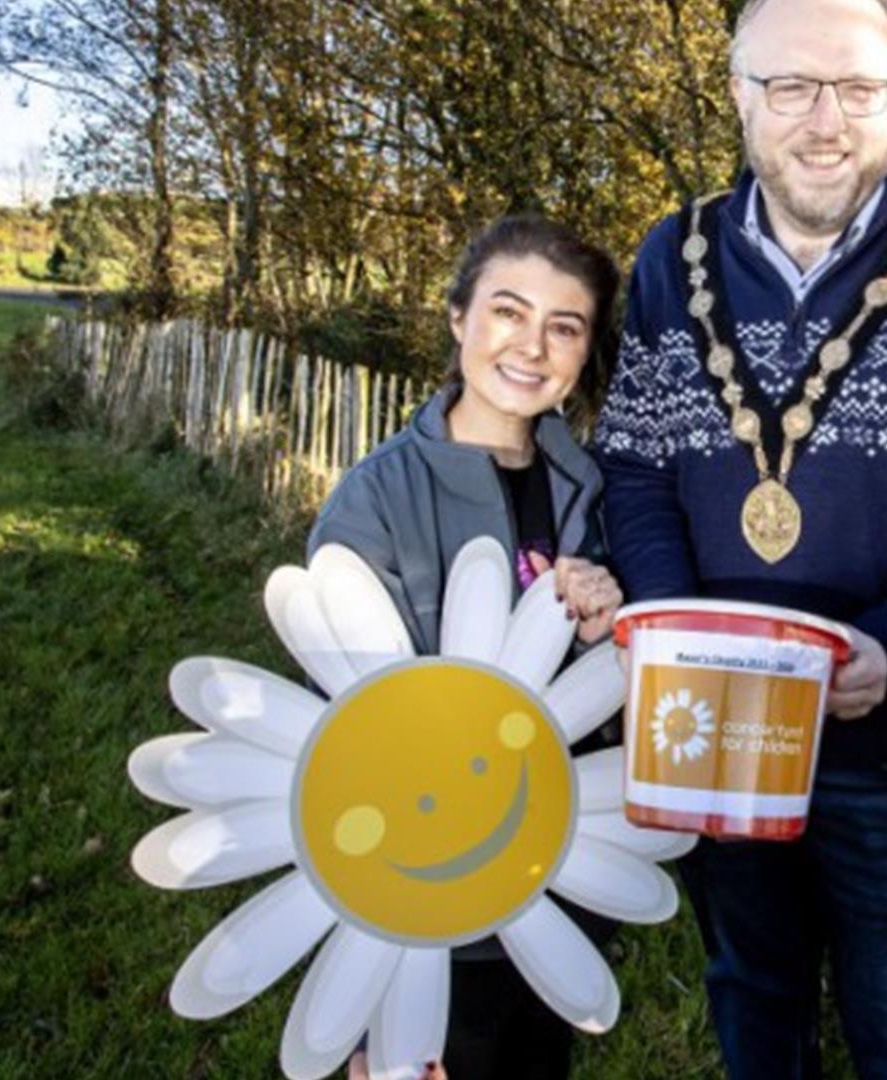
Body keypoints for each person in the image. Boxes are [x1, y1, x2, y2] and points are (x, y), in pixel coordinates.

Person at [592, 0, 887, 1075]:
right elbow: (638, 466)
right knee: (755, 990)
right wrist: (673, 638)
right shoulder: (672, 255)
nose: (825, 120)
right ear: (741, 93)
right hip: (713, 725)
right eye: (791, 86)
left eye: (857, 88)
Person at [308, 214, 626, 1080]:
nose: (532, 346)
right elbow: (340, 742)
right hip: (427, 887)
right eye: (507, 312)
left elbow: (607, 687)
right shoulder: (374, 502)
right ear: (458, 319)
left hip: (553, 870)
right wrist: (376, 1013)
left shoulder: (590, 490)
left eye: (565, 326)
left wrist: (610, 626)